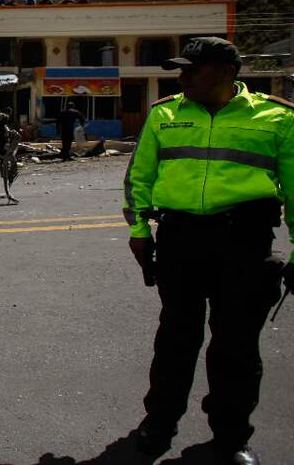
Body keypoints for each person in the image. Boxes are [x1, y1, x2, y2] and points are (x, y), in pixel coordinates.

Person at [123, 37, 294, 464]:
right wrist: (140, 230)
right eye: (180, 71)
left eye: (190, 70)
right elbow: (139, 178)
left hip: (245, 245)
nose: (182, 78)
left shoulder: (277, 118)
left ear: (224, 72)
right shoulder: (165, 114)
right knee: (175, 341)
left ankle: (232, 437)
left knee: (236, 348)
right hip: (181, 241)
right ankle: (158, 424)